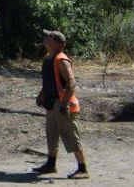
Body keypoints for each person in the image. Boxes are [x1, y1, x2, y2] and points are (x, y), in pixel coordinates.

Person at [33, 30, 88, 179]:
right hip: (51, 102)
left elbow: (71, 83)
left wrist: (64, 104)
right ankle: (51, 165)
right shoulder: (47, 58)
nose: (45, 38)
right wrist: (42, 94)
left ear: (56, 43)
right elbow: (49, 81)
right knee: (51, 134)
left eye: (49, 36)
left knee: (70, 135)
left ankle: (83, 169)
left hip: (63, 103)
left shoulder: (61, 59)